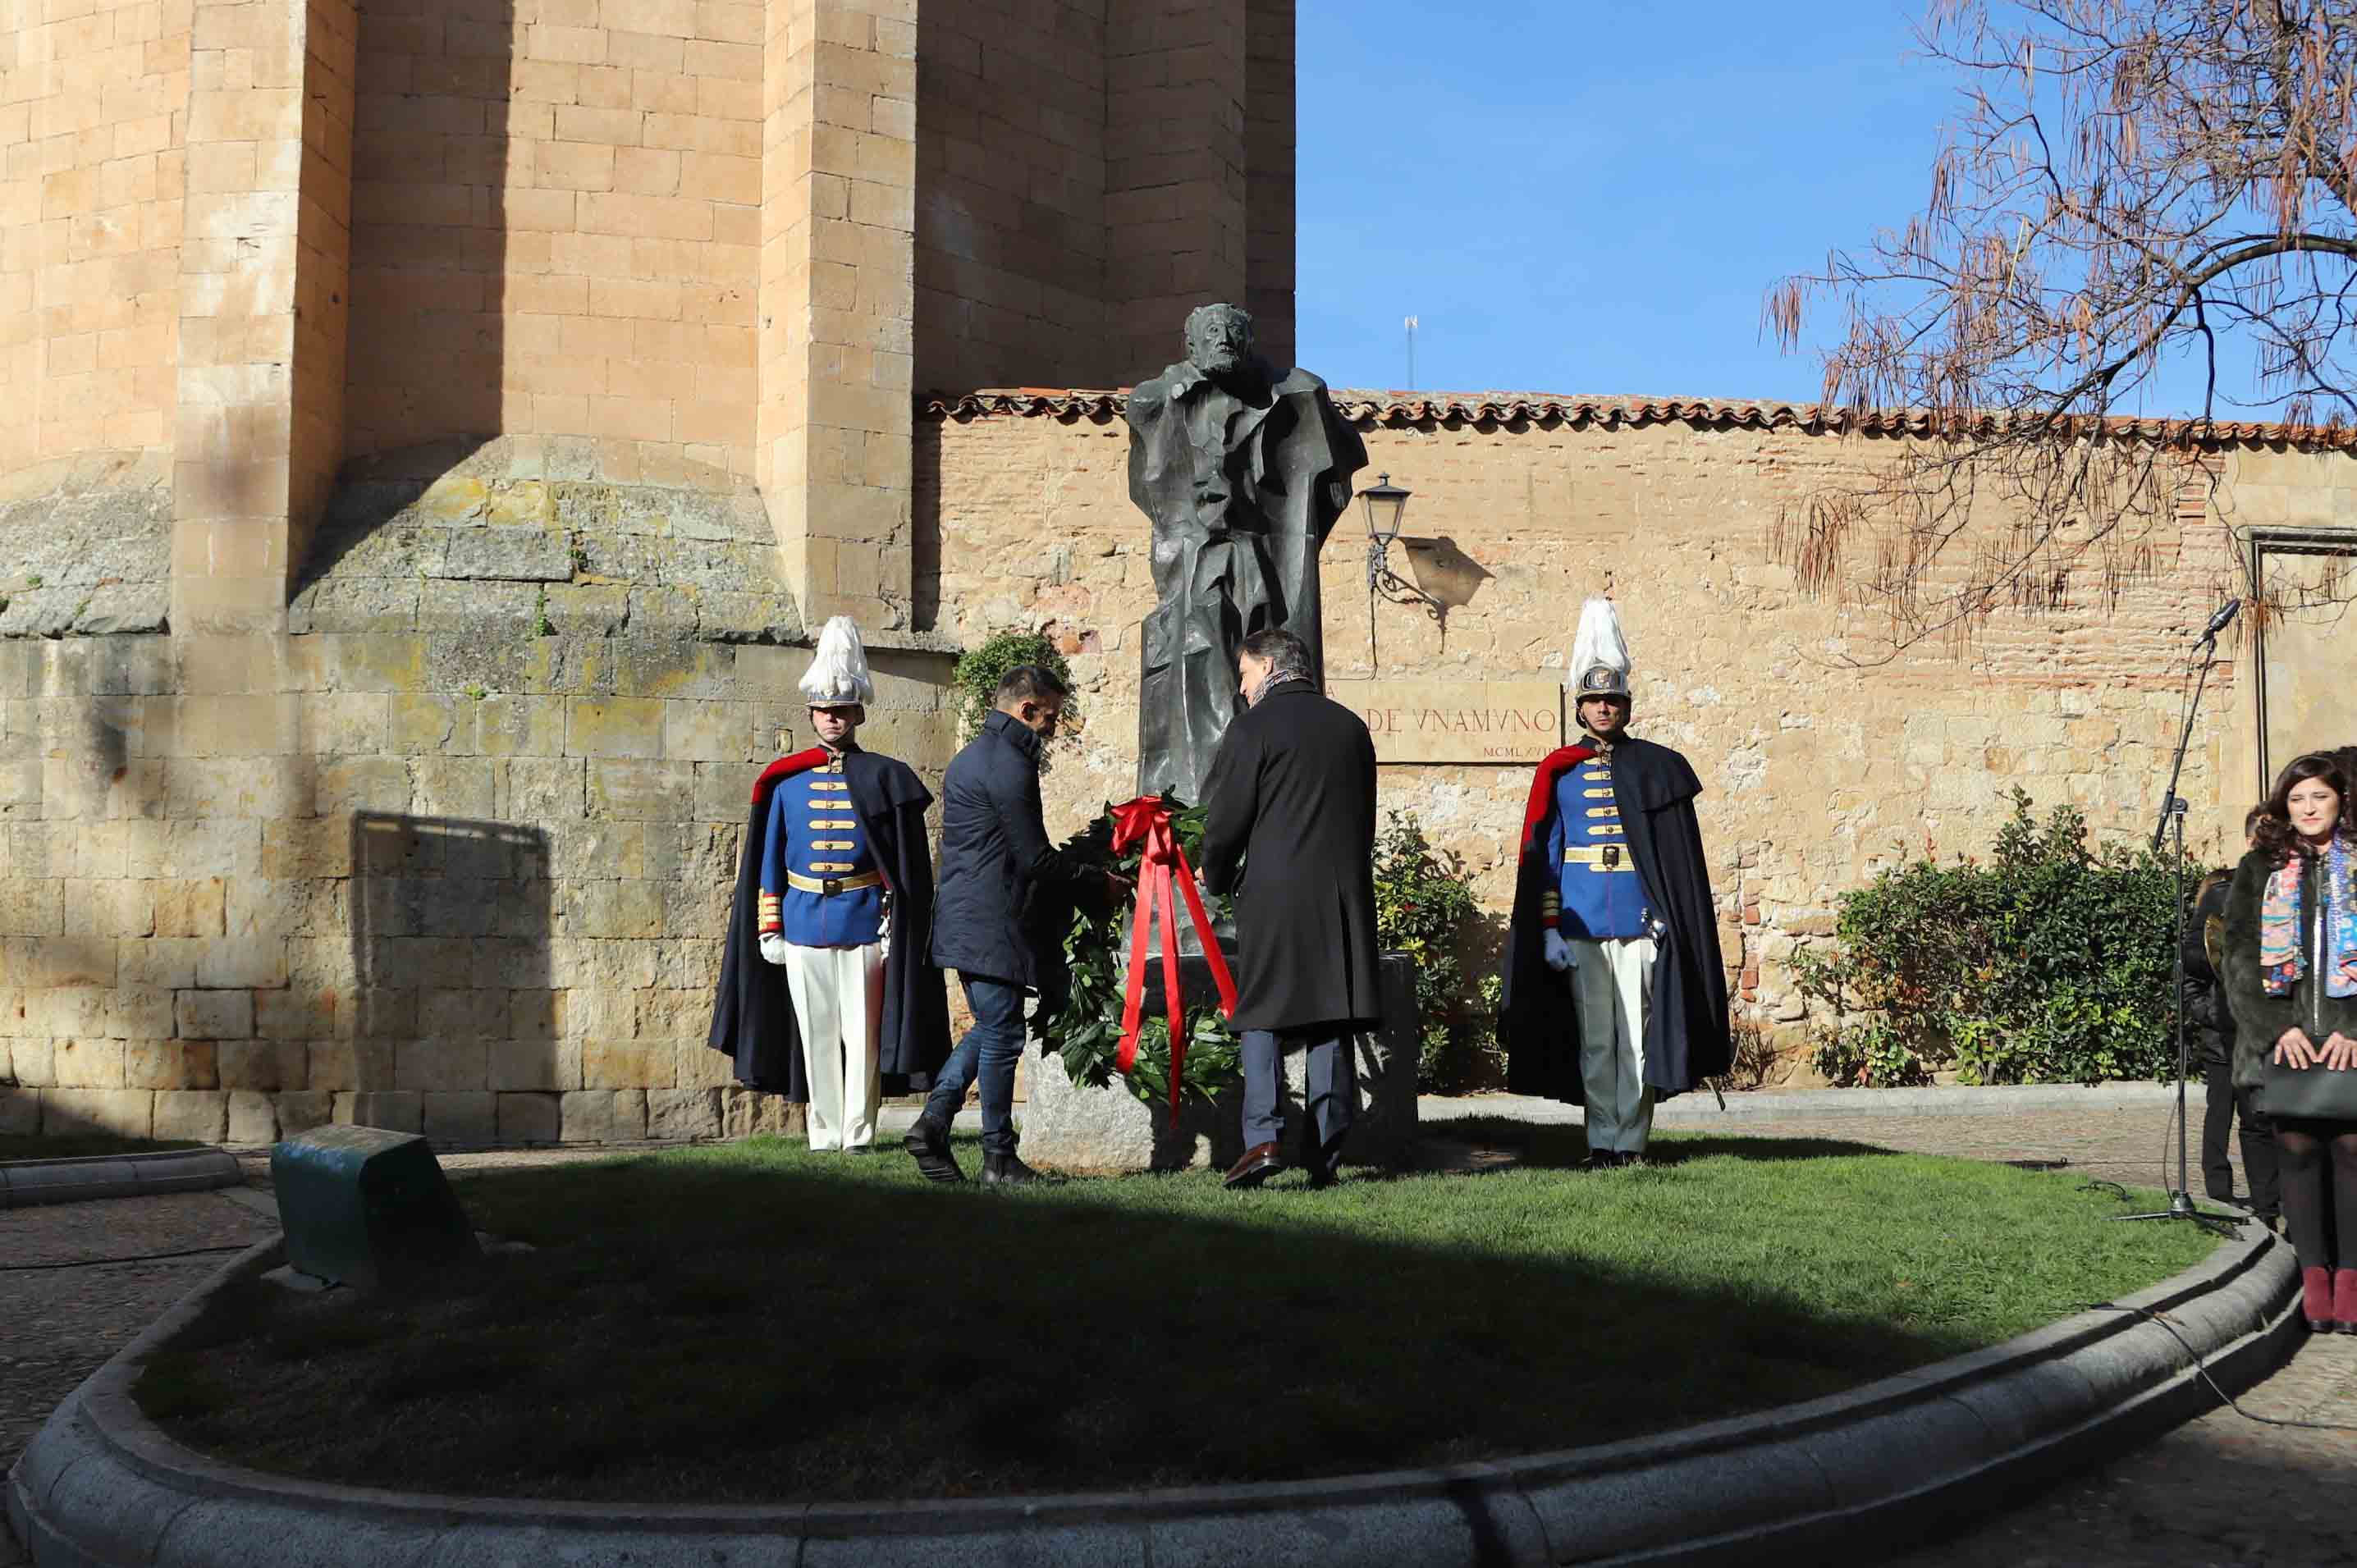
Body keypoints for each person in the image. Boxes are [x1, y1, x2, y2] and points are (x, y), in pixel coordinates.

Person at [1499, 598, 1731, 1168]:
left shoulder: (1657, 767)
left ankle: (1631, 1141)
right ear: (1580, 708)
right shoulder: (1561, 770)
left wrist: (1660, 912)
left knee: (1636, 1038)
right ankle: (1601, 1139)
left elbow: (1669, 861)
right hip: (1580, 921)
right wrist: (1549, 928)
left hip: (1635, 920)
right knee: (1597, 1041)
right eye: (1595, 700)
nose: (1605, 707)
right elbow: (1546, 856)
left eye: (1613, 699)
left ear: (1626, 705)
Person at [707, 617, 950, 1150]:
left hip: (863, 920)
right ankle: (822, 1131)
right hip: (801, 921)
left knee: (862, 1036)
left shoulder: (885, 776)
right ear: (812, 714)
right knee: (816, 1034)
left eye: (842, 711)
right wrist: (770, 927)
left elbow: (900, 865)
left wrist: (892, 920)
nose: (833, 719)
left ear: (858, 713)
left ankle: (858, 1131)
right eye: (824, 711)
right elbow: (768, 860)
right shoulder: (786, 782)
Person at [911, 665, 1124, 1185]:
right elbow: (1034, 859)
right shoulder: (1010, 764)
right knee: (1003, 1036)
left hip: (965, 917)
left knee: (990, 1027)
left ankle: (933, 1124)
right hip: (992, 920)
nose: (1053, 728)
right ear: (1025, 710)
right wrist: (1099, 883)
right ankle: (998, 1159)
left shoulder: (971, 757)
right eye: (1049, 717)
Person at [1198, 627, 1381, 1190]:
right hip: (1341, 893)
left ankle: (1264, 1137)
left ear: (1272, 667)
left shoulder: (1253, 729)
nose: (1243, 687)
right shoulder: (1352, 728)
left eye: (1247, 674)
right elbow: (1365, 820)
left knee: (1261, 1011)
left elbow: (1227, 820)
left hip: (1274, 895)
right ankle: (1324, 1152)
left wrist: (1217, 873)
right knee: (1331, 1013)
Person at [2222, 752, 2357, 1333]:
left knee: (2354, 1154)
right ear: (2284, 805)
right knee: (2298, 1154)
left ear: (2340, 801)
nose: (2308, 808)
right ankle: (2313, 1279)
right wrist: (2281, 1028)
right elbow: (2239, 956)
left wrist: (2354, 1031)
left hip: (2348, 1040)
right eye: (2297, 798)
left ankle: (2350, 1279)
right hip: (2288, 1040)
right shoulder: (2260, 867)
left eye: (2319, 797)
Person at [2190, 805, 2277, 1223]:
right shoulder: (2221, 895)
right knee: (2222, 1109)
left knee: (2260, 1116)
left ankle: (2268, 1204)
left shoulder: (2291, 889)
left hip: (2271, 1027)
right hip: (2225, 1026)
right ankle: (2219, 1191)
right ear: (2248, 841)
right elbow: (2192, 961)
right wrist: (2206, 1011)